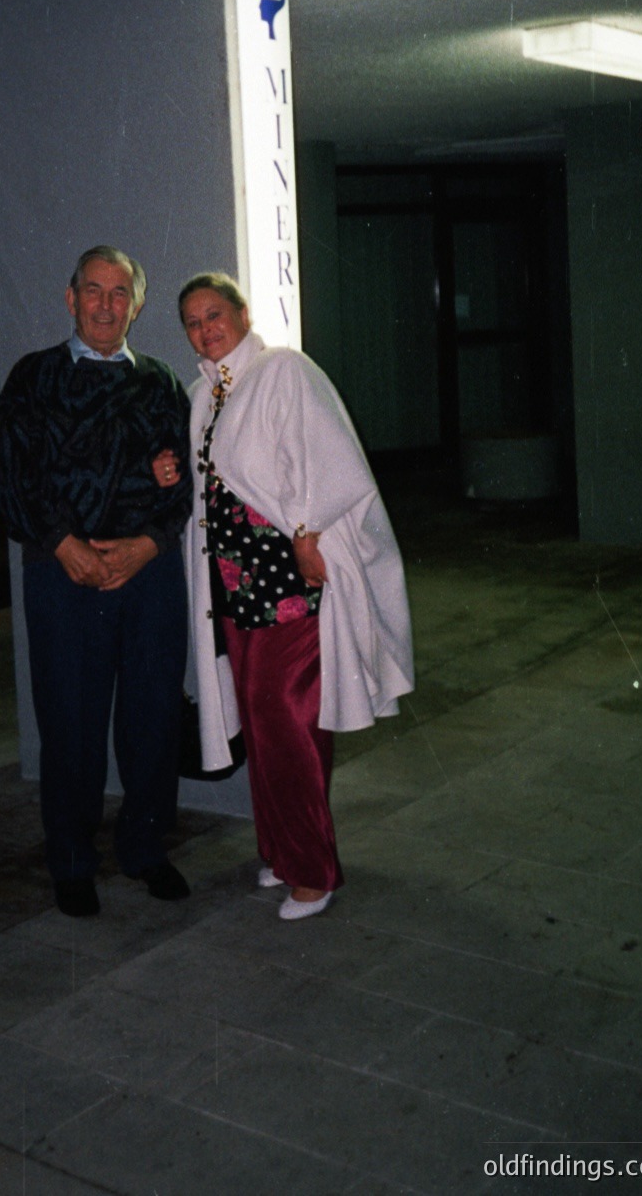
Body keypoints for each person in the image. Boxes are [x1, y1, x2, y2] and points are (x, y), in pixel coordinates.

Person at [157, 272, 413, 921]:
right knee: (259, 718)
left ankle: (312, 869)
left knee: (286, 722)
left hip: (285, 584)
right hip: (234, 591)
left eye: (215, 314)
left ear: (242, 314)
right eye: (192, 321)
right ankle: (279, 849)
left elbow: (327, 460)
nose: (205, 329)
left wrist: (308, 531)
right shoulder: (203, 393)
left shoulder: (281, 371)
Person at [0, 246, 193, 918]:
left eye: (119, 293)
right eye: (93, 290)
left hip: (147, 574)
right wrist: (61, 544)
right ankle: (72, 860)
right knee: (69, 724)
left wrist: (147, 544)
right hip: (62, 574)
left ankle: (143, 847)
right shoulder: (34, 376)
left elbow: (184, 481)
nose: (106, 304)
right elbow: (8, 472)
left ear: (135, 304)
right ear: (70, 298)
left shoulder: (160, 382)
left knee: (153, 716)